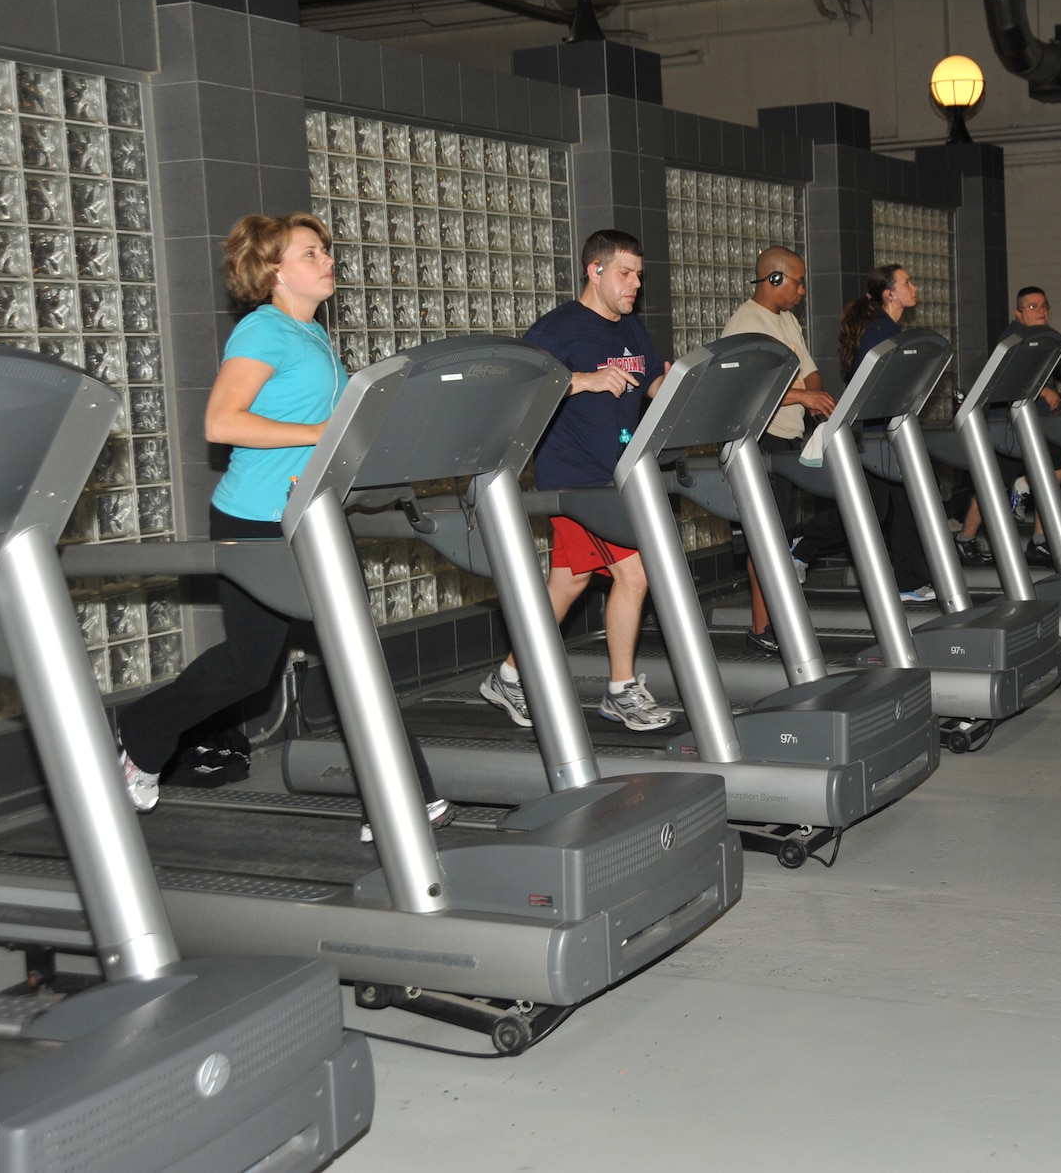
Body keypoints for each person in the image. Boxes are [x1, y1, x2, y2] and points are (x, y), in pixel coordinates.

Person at [117, 212, 449, 834]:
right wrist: (322, 436)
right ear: (273, 270)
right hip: (259, 519)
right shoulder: (261, 331)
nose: (327, 261)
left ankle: (403, 797)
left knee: (286, 660)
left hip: (312, 515)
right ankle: (142, 733)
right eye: (310, 253)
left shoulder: (315, 336)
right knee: (265, 665)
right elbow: (222, 423)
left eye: (326, 252)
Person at [478, 229, 675, 732]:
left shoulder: (632, 329)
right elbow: (518, 389)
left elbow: (648, 378)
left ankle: (508, 675)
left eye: (639, 275)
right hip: (576, 478)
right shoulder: (558, 330)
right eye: (625, 273)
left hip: (617, 471)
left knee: (569, 583)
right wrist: (581, 380)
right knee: (637, 574)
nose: (635, 284)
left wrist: (670, 382)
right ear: (595, 270)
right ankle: (621, 690)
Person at [722, 247, 836, 653]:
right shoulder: (745, 326)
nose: (802, 291)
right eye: (798, 282)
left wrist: (813, 393)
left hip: (788, 437)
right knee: (764, 538)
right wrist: (805, 398)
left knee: (781, 535)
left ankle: (775, 620)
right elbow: (745, 390)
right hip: (757, 439)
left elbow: (810, 369)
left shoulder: (786, 320)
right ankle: (761, 627)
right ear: (774, 280)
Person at [956, 287, 1061, 569]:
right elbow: (1008, 378)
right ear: (1018, 313)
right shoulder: (1012, 339)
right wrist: (1043, 390)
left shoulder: (1043, 338)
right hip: (1004, 424)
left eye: (1044, 306)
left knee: (1053, 467)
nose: (1041, 311)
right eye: (1033, 307)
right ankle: (966, 538)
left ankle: (1038, 539)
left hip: (1029, 422)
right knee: (993, 485)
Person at [833, 264, 933, 594]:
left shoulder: (886, 329)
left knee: (900, 504)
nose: (914, 287)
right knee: (874, 508)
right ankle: (805, 546)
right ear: (890, 293)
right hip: (874, 432)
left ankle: (909, 580)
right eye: (907, 282)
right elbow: (874, 384)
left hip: (885, 429)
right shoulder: (880, 332)